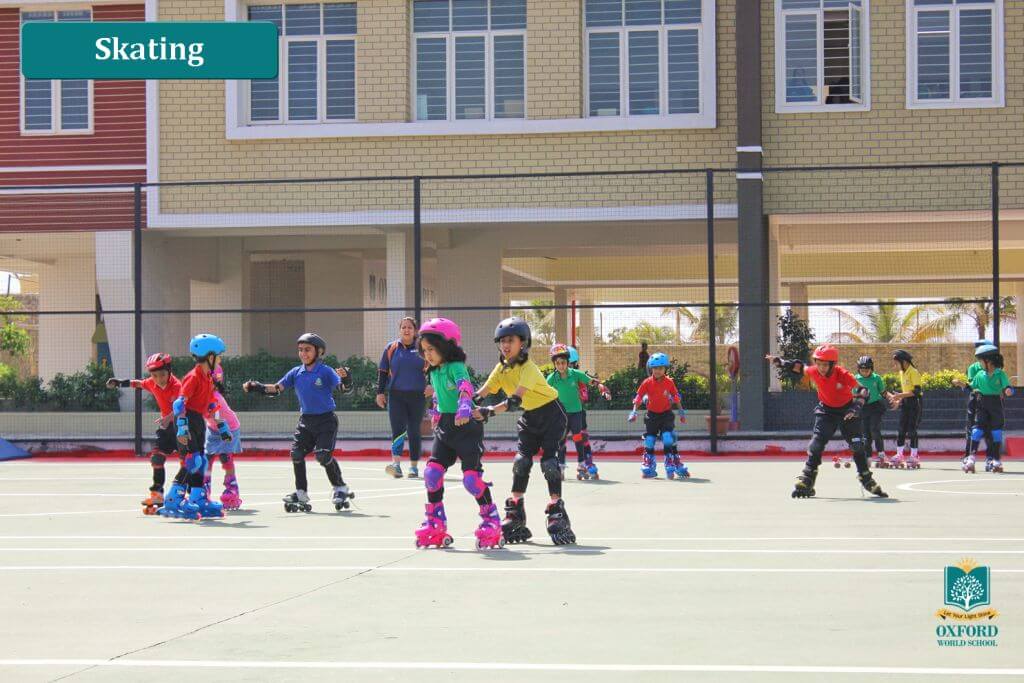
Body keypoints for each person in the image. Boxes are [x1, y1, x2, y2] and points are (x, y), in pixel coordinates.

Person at [475, 317, 575, 545]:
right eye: (502, 341)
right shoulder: (501, 368)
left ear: (523, 343)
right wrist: (464, 401)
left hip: (552, 415)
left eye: (510, 340)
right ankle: (516, 512)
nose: (505, 345)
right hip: (530, 416)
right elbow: (485, 390)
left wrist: (488, 411)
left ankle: (556, 510)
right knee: (521, 461)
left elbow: (513, 401)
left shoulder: (528, 368)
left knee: (549, 463)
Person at [413, 318, 502, 549]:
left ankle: (491, 521)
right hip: (445, 426)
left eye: (431, 349)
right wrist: (434, 410)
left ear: (447, 347)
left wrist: (465, 405)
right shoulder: (434, 371)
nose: (428, 355)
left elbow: (465, 386)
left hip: (467, 427)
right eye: (424, 351)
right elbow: (439, 395)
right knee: (432, 474)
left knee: (471, 479)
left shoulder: (456, 367)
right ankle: (435, 522)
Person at [243, 333, 354, 513]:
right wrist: (258, 387)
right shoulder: (296, 372)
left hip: (326, 421)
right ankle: (301, 492)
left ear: (319, 352)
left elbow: (343, 389)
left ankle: (340, 488)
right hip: (306, 422)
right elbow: (277, 389)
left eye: (308, 350)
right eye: (301, 350)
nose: (303, 353)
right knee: (296, 454)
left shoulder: (325, 371)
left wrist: (347, 379)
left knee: (323, 456)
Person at [767, 345, 888, 499]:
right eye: (819, 364)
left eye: (825, 365)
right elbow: (799, 367)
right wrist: (780, 362)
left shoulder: (842, 374)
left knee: (858, 445)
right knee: (816, 444)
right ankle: (808, 479)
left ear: (832, 364)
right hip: (826, 412)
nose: (821, 368)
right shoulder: (814, 371)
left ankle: (866, 478)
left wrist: (856, 408)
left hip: (848, 411)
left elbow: (863, 391)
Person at [160, 334, 232, 520]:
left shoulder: (207, 378)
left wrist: (222, 427)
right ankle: (173, 500)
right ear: (209, 356)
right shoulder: (192, 377)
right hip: (186, 421)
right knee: (193, 461)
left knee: (202, 462)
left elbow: (210, 405)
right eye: (219, 355)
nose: (220, 359)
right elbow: (179, 404)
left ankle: (198, 499)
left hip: (198, 421)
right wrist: (183, 428)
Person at [106, 353, 182, 515]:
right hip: (166, 428)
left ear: (169, 371)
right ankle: (157, 495)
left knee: (189, 463)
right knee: (157, 458)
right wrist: (119, 382)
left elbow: (182, 408)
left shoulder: (177, 386)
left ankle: (188, 493)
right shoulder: (152, 383)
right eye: (154, 375)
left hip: (183, 427)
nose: (159, 379)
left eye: (162, 375)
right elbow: (138, 383)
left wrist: (169, 418)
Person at [546, 343, 608, 481]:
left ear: (568, 363)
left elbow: (591, 381)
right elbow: (543, 392)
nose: (561, 366)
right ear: (555, 364)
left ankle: (581, 465)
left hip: (576, 412)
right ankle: (560, 467)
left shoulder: (575, 374)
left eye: (563, 363)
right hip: (560, 414)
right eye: (558, 363)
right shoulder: (552, 378)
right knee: (561, 441)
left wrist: (601, 386)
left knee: (578, 438)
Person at [377, 317, 429, 479]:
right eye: (403, 327)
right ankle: (396, 465)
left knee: (414, 430)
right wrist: (380, 392)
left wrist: (432, 386)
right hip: (396, 396)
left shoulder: (423, 348)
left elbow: (433, 368)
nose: (406, 330)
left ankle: (413, 467)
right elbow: (383, 372)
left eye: (410, 328)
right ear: (400, 330)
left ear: (415, 331)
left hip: (418, 396)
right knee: (398, 430)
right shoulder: (391, 348)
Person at [628, 353, 689, 480]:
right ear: (651, 369)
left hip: (666, 414)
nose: (657, 371)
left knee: (667, 437)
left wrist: (681, 412)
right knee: (649, 440)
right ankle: (649, 464)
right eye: (655, 368)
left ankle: (672, 461)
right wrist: (634, 412)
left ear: (665, 369)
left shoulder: (669, 382)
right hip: (652, 416)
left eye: (660, 368)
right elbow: (638, 397)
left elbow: (676, 397)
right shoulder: (647, 382)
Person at [955, 344, 1014, 474]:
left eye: (980, 360)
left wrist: (1009, 390)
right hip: (981, 403)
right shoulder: (979, 374)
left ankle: (996, 461)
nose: (979, 363)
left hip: (995, 405)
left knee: (996, 432)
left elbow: (1007, 386)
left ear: (989, 361)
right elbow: (971, 387)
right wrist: (961, 384)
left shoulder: (1000, 374)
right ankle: (971, 459)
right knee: (976, 431)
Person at [203, 362, 243, 510]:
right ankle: (203, 488)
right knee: (207, 459)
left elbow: (218, 418)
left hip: (229, 429)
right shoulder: (199, 394)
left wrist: (225, 432)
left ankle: (232, 489)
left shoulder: (215, 398)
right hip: (213, 429)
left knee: (225, 457)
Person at [888, 349, 922, 469]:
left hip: (914, 403)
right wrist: (899, 401)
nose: (895, 366)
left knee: (912, 430)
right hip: (906, 403)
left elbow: (917, 391)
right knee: (901, 429)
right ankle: (899, 455)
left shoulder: (914, 372)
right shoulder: (902, 373)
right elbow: (905, 391)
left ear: (904, 362)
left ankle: (914, 456)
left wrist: (900, 396)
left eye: (897, 363)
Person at [853, 356, 887, 469]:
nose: (865, 372)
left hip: (876, 407)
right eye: (862, 370)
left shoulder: (876, 378)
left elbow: (883, 392)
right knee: (866, 434)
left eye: (867, 370)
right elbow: (853, 396)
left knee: (875, 429)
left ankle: (881, 453)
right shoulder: (855, 379)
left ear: (871, 369)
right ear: (858, 370)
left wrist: (892, 398)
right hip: (863, 408)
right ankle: (868, 457)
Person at [962, 340, 992, 461]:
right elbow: (972, 384)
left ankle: (991, 456)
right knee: (971, 427)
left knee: (990, 428)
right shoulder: (973, 368)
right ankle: (968, 455)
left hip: (990, 401)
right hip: (975, 400)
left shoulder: (994, 367)